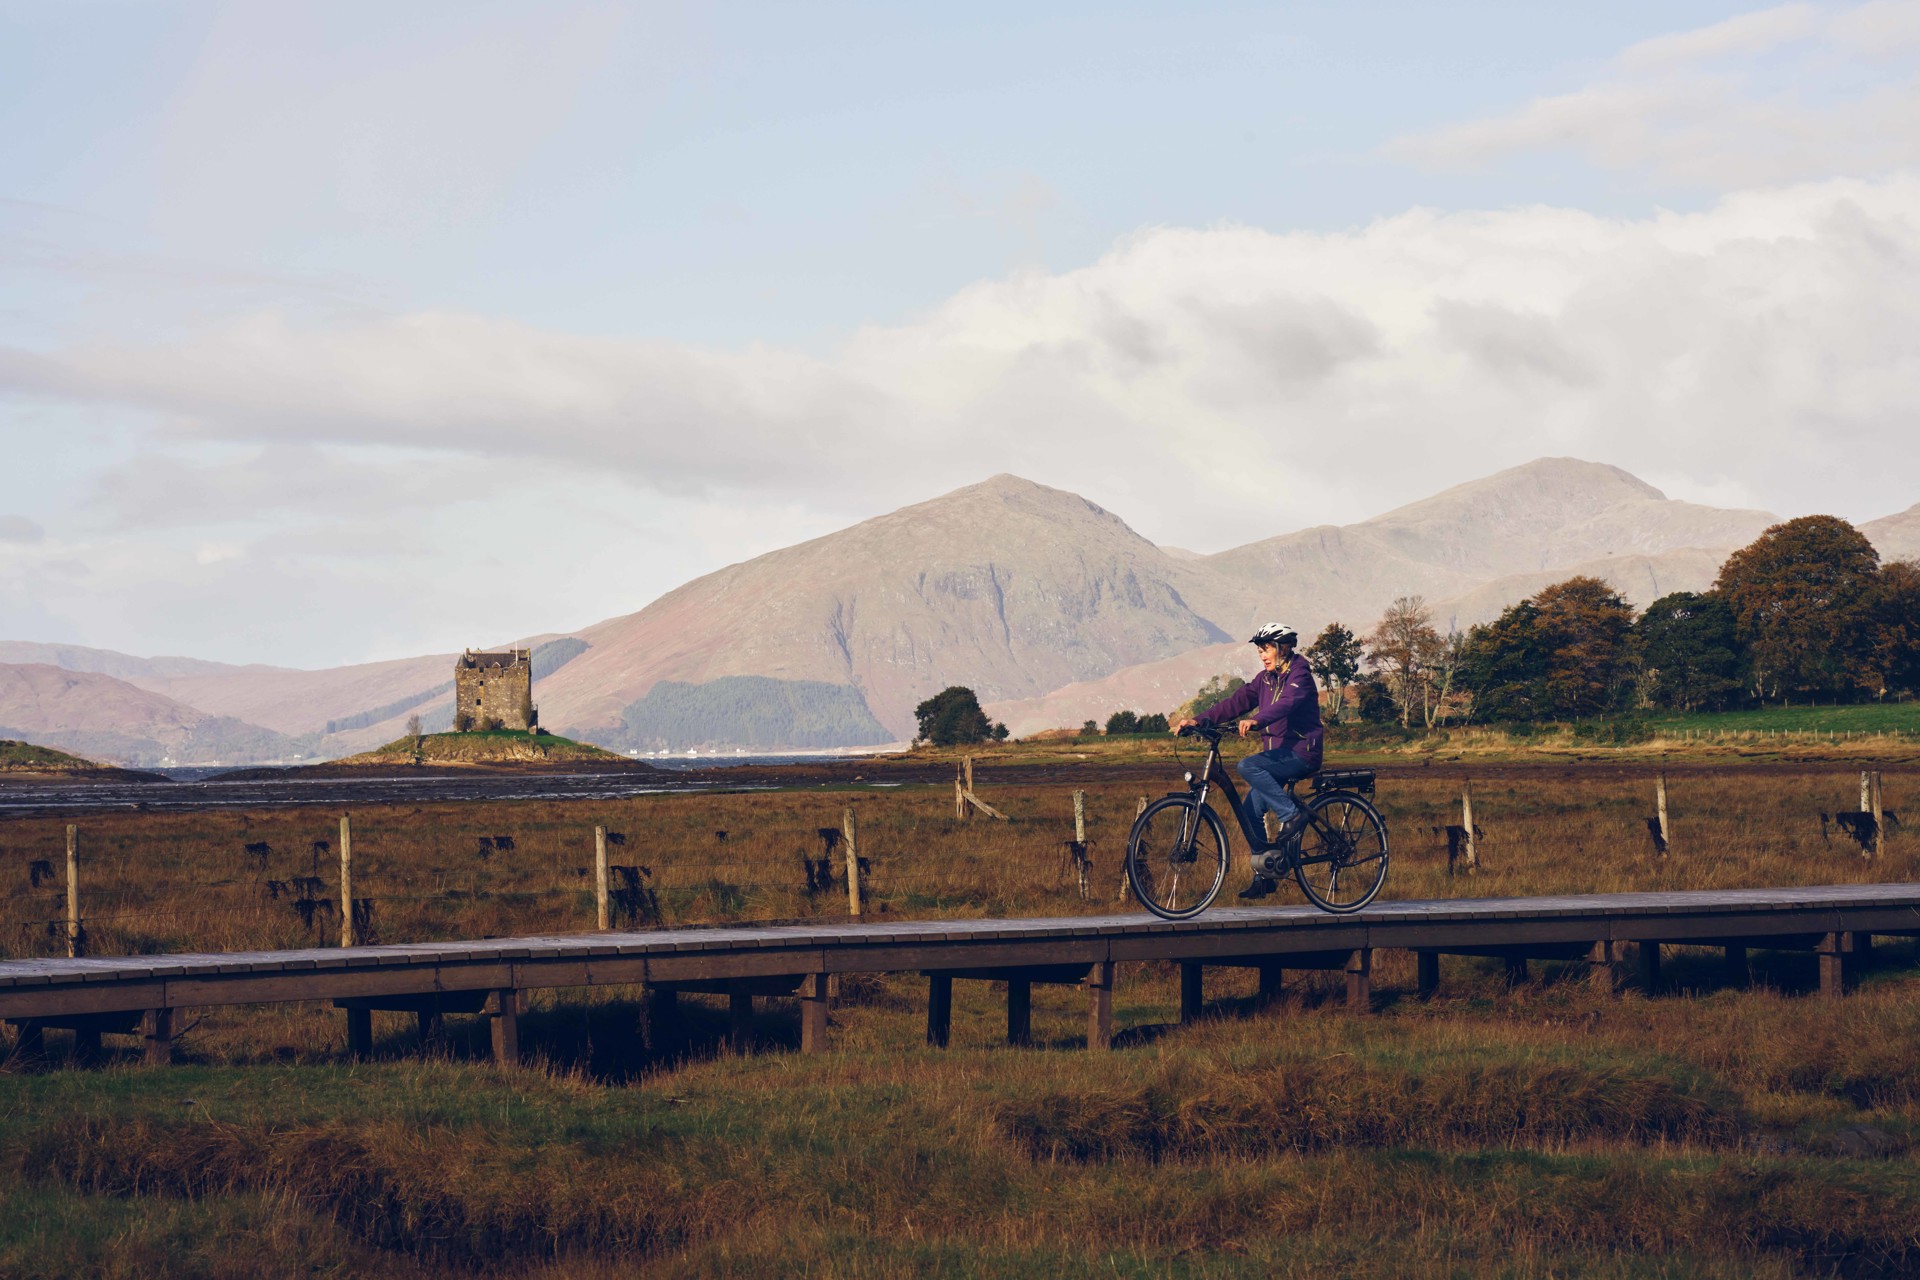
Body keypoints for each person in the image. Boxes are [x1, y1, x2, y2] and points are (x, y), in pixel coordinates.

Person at [1170, 623, 1324, 899]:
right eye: (1259, 651)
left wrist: (1257, 719)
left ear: (1282, 648)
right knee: (1249, 811)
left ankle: (1292, 815)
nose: (1262, 655)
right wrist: (1198, 720)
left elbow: (1286, 704)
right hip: (1276, 756)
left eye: (1266, 649)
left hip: (1301, 753)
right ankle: (1265, 875)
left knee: (1248, 765)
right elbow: (1235, 702)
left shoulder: (1299, 674)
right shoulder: (1264, 680)